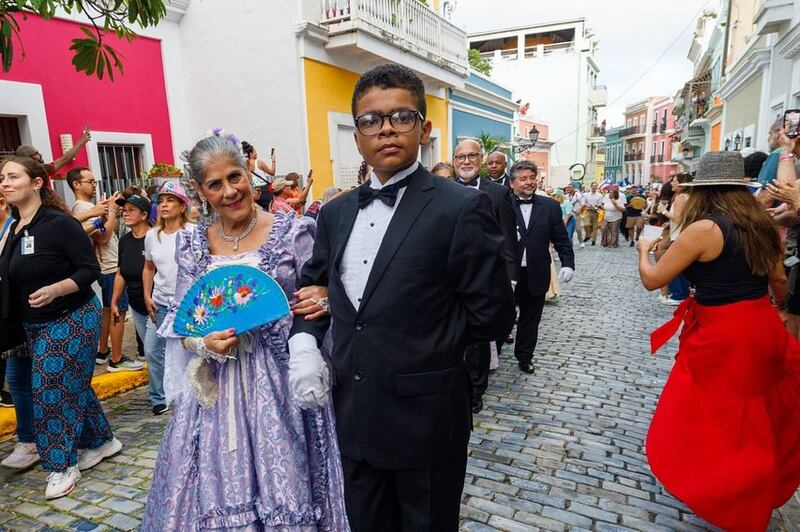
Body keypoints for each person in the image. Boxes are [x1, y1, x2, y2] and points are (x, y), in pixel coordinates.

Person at [288, 64, 515, 531]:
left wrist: (422, 340)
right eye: (371, 120)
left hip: (427, 421)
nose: (385, 128)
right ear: (357, 136)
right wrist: (305, 342)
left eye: (401, 116)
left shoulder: (461, 207)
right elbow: (313, 292)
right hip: (355, 415)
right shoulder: (333, 214)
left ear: (424, 129)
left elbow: (493, 315)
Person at [143, 134, 348, 530]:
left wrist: (323, 302)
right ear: (200, 192)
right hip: (215, 389)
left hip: (280, 382)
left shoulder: (294, 232)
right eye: (214, 185)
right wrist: (203, 341)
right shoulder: (191, 244)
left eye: (235, 177)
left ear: (248, 174)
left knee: (287, 475)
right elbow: (183, 323)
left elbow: (321, 301)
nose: (229, 191)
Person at [638, 151, 800, 530]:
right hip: (761, 324)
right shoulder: (761, 224)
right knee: (757, 411)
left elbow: (653, 279)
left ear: (703, 192)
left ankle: (733, 491)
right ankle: (754, 486)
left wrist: (644, 252)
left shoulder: (704, 230)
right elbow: (777, 282)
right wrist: (776, 310)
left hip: (722, 333)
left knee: (714, 416)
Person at [0, 157, 121, 499]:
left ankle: (61, 466)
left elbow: (88, 271)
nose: (5, 183)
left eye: (13, 177)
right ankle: (102, 441)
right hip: (34, 323)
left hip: (72, 316)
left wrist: (57, 288)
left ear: (37, 183)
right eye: (2, 178)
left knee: (49, 391)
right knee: (70, 384)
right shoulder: (15, 226)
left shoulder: (59, 224)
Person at [452, 138, 519, 414]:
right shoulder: (442, 190)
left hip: (484, 278)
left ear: (480, 160)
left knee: (478, 338)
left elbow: (507, 239)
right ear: (454, 162)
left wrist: (510, 277)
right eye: (460, 157)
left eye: (471, 156)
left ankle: (476, 391)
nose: (466, 161)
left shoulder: (498, 194)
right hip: (451, 276)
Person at [67, 168, 144, 372]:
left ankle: (102, 352)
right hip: (109, 266)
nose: (94, 185)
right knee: (118, 310)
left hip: (107, 265)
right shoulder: (82, 207)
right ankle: (117, 359)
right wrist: (111, 212)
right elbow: (103, 237)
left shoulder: (85, 206)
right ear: (76, 184)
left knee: (108, 311)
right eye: (90, 181)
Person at [508, 160, 575, 375]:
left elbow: (561, 239)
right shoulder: (501, 204)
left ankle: (524, 357)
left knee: (530, 320)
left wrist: (567, 264)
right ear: (512, 183)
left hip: (536, 273)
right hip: (507, 274)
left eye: (532, 178)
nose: (529, 182)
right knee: (503, 316)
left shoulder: (551, 207)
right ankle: (494, 354)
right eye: (523, 179)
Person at [141, 181, 193, 416]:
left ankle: (190, 392)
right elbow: (149, 267)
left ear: (182, 206)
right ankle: (158, 398)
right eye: (161, 201)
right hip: (161, 302)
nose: (164, 205)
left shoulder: (192, 233)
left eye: (170, 200)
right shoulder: (152, 236)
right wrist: (146, 294)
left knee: (188, 351)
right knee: (152, 350)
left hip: (187, 304)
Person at [0, 186, 36, 469]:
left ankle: (30, 441)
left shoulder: (16, 231)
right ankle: (30, 440)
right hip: (9, 321)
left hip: (25, 318)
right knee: (20, 381)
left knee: (25, 381)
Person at [110, 189, 152, 395]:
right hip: (136, 305)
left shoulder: (155, 237)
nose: (125, 214)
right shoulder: (125, 241)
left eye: (131, 210)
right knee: (151, 351)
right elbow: (120, 272)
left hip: (157, 305)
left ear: (144, 215)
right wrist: (115, 300)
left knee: (154, 352)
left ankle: (161, 395)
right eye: (124, 210)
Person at [16, 128, 91, 179]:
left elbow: (65, 159)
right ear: (27, 158)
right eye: (36, 153)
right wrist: (81, 142)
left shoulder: (43, 170)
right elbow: (65, 159)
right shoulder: (36, 172)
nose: (40, 155)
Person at [582, 181, 603, 245]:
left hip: (595, 212)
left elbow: (600, 204)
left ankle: (594, 240)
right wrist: (587, 205)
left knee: (595, 227)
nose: (594, 188)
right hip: (588, 211)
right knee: (586, 224)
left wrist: (597, 206)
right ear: (591, 187)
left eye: (595, 187)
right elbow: (583, 203)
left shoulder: (599, 195)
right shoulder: (586, 194)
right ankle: (588, 235)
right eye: (593, 187)